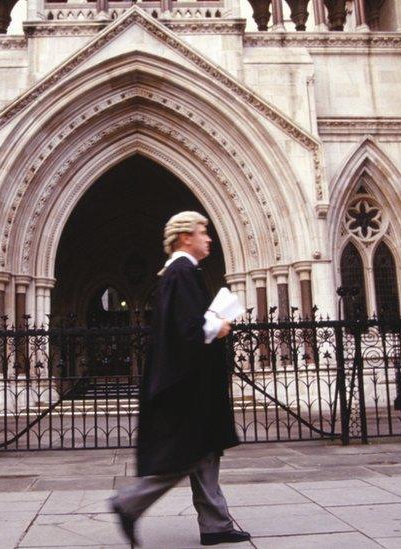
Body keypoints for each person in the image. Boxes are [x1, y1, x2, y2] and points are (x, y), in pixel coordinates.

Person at [109, 211, 250, 547]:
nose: (209, 238)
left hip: (190, 383)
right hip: (187, 386)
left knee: (205, 453)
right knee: (188, 454)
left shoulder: (181, 273)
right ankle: (128, 503)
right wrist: (219, 326)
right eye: (204, 232)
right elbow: (187, 331)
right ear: (186, 237)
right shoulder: (182, 272)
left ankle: (215, 523)